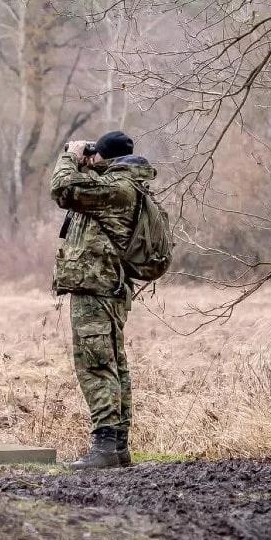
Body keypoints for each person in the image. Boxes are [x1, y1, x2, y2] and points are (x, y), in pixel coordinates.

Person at [50, 131, 156, 469]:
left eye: (96, 154)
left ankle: (106, 446)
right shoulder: (123, 186)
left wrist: (70, 156)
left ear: (104, 159)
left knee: (96, 364)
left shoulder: (116, 190)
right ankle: (118, 446)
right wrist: (90, 161)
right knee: (112, 362)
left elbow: (63, 189)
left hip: (97, 287)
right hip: (105, 286)